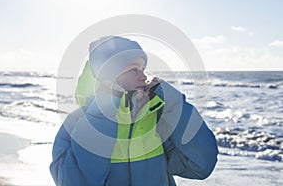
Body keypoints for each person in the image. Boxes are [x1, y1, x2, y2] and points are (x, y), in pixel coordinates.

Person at [50, 36, 218, 186]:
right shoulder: (78, 121)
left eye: (143, 69)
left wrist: (173, 103)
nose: (144, 76)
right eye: (134, 69)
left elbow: (201, 166)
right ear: (109, 75)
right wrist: (105, 110)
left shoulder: (155, 117)